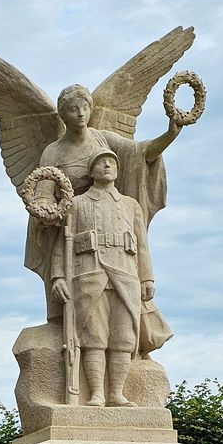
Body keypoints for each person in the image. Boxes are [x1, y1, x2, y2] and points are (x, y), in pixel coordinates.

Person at [25, 85, 181, 314]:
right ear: (63, 115)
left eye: (85, 108)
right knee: (74, 305)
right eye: (73, 109)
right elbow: (44, 192)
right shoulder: (53, 151)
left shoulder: (102, 139)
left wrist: (170, 135)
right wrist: (47, 211)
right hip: (71, 223)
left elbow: (140, 153)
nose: (81, 114)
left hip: (109, 220)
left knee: (126, 308)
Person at [49, 150, 151, 407]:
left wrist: (147, 278)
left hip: (125, 274)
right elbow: (61, 243)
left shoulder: (130, 205)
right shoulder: (77, 203)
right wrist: (58, 276)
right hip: (90, 274)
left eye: (112, 162)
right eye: (101, 162)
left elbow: (142, 244)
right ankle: (96, 393)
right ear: (91, 171)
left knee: (123, 338)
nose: (107, 165)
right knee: (93, 337)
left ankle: (116, 393)